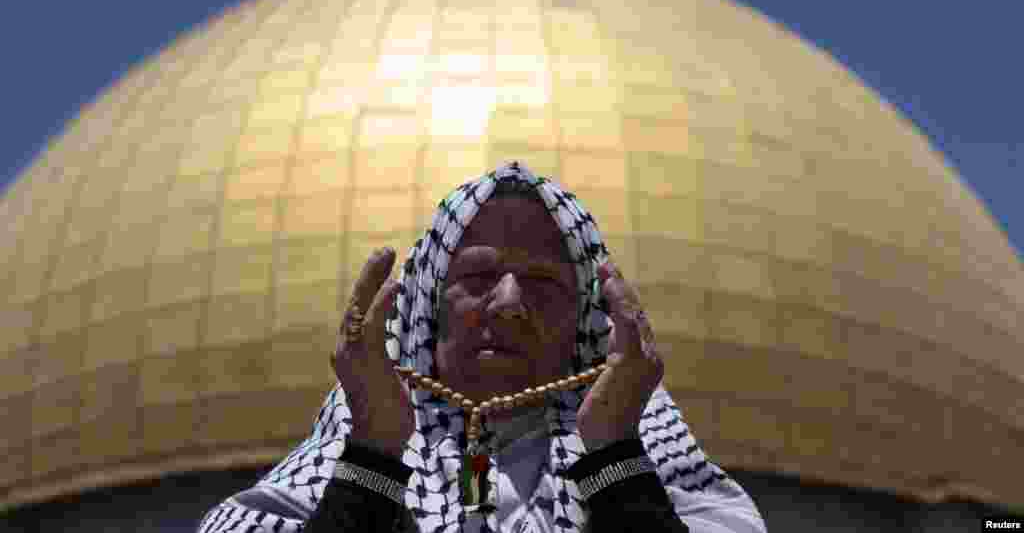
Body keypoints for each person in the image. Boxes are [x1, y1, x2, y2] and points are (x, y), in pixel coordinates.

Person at [197, 161, 767, 533]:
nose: (508, 302)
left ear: (582, 316)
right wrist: (372, 456)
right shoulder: (364, 438)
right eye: (477, 277)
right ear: (427, 302)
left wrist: (615, 455)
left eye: (543, 284)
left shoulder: (637, 438)